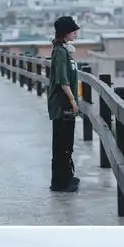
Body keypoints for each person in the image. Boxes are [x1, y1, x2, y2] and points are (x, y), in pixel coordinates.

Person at [47, 14, 81, 193]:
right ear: (64, 32)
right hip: (62, 105)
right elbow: (62, 80)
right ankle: (60, 183)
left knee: (67, 142)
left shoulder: (65, 51)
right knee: (62, 143)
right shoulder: (60, 53)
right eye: (72, 30)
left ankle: (67, 177)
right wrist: (73, 100)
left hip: (66, 104)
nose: (75, 33)